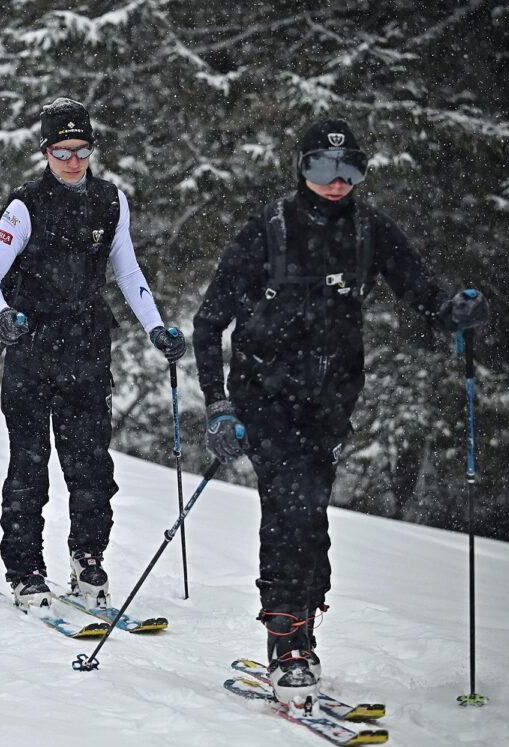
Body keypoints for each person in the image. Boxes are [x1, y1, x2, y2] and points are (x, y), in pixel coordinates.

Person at [192, 118, 490, 711]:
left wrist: (452, 311)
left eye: (350, 170)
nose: (337, 182)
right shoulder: (269, 230)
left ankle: (303, 622)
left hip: (330, 399)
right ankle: (285, 645)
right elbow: (208, 322)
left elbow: (420, 290)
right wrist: (219, 405)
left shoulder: (367, 230)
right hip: (265, 394)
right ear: (301, 168)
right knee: (288, 507)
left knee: (312, 514)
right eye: (324, 169)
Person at [0, 98, 187, 613]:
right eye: (63, 150)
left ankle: (88, 560)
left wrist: (157, 329)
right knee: (30, 465)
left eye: (82, 149)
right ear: (46, 151)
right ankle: (25, 571)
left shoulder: (111, 201)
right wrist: (2, 315)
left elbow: (128, 271)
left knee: (91, 466)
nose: (73, 160)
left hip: (88, 349)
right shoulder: (24, 205)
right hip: (32, 348)